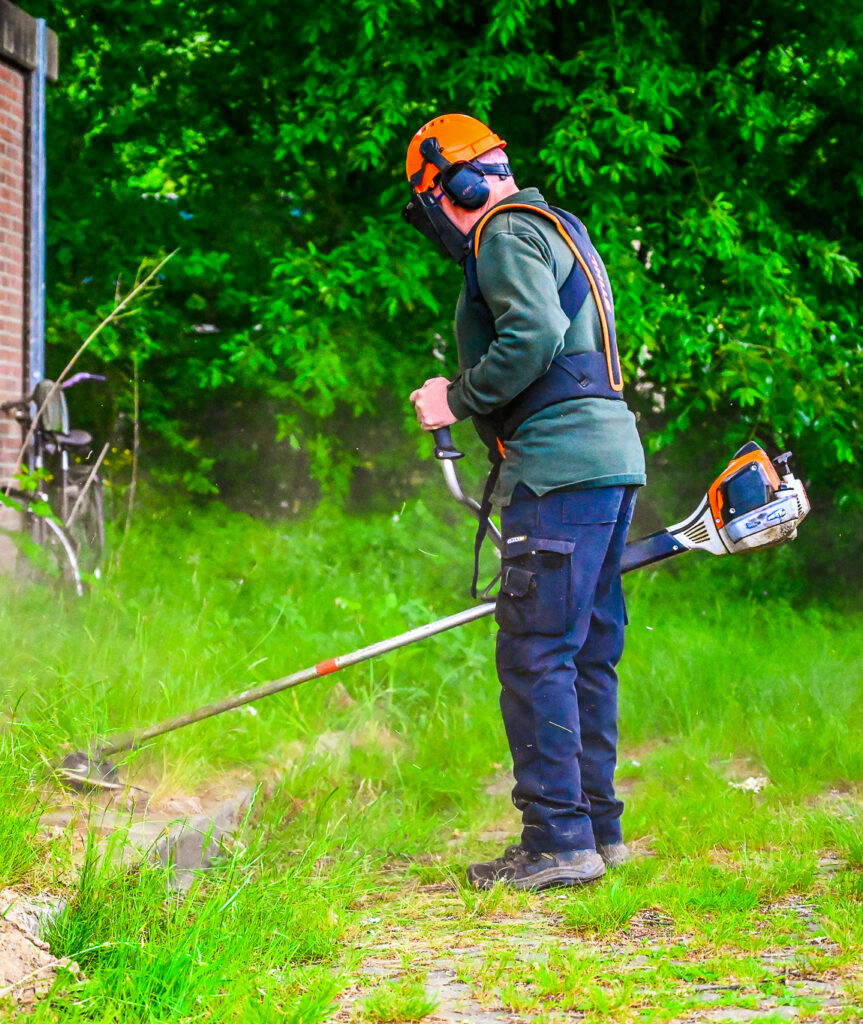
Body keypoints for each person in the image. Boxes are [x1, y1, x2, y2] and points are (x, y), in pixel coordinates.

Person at [405, 114, 646, 891]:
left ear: (454, 187)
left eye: (431, 201)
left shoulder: (503, 232)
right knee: (585, 650)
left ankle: (555, 844)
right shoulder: (557, 225)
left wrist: (458, 398)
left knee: (536, 650)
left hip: (560, 469)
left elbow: (534, 333)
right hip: (610, 460)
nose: (437, 218)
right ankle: (596, 831)